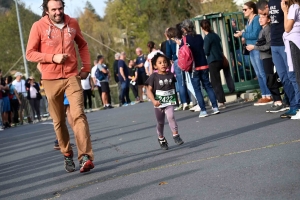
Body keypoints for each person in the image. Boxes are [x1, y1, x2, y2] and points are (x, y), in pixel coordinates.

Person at [26, 0, 94, 173]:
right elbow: (30, 53)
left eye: (60, 8)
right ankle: (66, 153)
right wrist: (52, 57)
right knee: (58, 121)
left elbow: (83, 44)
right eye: (54, 9)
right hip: (50, 79)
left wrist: (86, 67)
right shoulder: (38, 26)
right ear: (47, 11)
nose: (58, 12)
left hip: (72, 76)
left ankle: (85, 156)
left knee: (78, 114)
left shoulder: (72, 23)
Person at [257, 0, 300, 118]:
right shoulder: (270, 3)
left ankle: (297, 105)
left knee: (292, 75)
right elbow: (270, 17)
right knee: (283, 77)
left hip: (285, 42)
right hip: (274, 43)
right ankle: (292, 104)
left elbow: (289, 19)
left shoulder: (285, 2)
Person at [177, 19, 220, 117]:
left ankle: (203, 110)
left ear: (184, 29)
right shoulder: (199, 37)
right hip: (204, 64)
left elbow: (182, 53)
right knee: (208, 86)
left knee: (197, 89)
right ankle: (215, 107)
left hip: (193, 67)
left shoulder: (184, 40)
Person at [235, 1, 273, 106]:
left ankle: (269, 94)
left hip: (256, 48)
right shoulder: (248, 21)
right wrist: (244, 37)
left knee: (262, 72)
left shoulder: (256, 19)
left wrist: (243, 34)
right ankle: (264, 94)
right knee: (258, 73)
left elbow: (255, 34)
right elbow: (249, 34)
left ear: (252, 9)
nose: (243, 11)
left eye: (245, 9)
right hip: (250, 49)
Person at [246, 14, 285, 113]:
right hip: (264, 57)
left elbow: (268, 45)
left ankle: (279, 101)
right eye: (260, 18)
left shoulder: (267, 29)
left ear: (268, 20)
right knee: (269, 79)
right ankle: (277, 101)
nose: (260, 20)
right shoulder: (262, 30)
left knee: (271, 79)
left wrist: (254, 47)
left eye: (263, 18)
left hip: (268, 57)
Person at [145, 52, 184, 150]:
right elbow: (148, 90)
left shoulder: (170, 75)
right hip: (158, 103)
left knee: (171, 116)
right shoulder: (153, 77)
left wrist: (176, 98)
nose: (163, 64)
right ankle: (161, 138)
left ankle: (176, 135)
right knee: (160, 122)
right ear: (155, 65)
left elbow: (173, 88)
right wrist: (153, 100)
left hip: (169, 102)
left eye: (165, 62)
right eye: (160, 62)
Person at [200, 20, 231, 109]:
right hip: (220, 59)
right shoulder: (216, 35)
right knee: (223, 77)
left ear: (202, 28)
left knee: (215, 82)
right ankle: (230, 89)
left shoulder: (207, 38)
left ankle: (221, 101)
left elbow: (206, 51)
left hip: (212, 61)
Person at [282, 0, 300, 119]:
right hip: (295, 41)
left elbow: (287, 28)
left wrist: (284, 12)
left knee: (298, 76)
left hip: (294, 42)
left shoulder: (294, 7)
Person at [166, 27, 191, 111]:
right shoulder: (181, 39)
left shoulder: (169, 42)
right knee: (188, 80)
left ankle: (184, 102)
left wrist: (170, 60)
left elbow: (168, 54)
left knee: (181, 82)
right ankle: (191, 100)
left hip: (176, 61)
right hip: (185, 59)